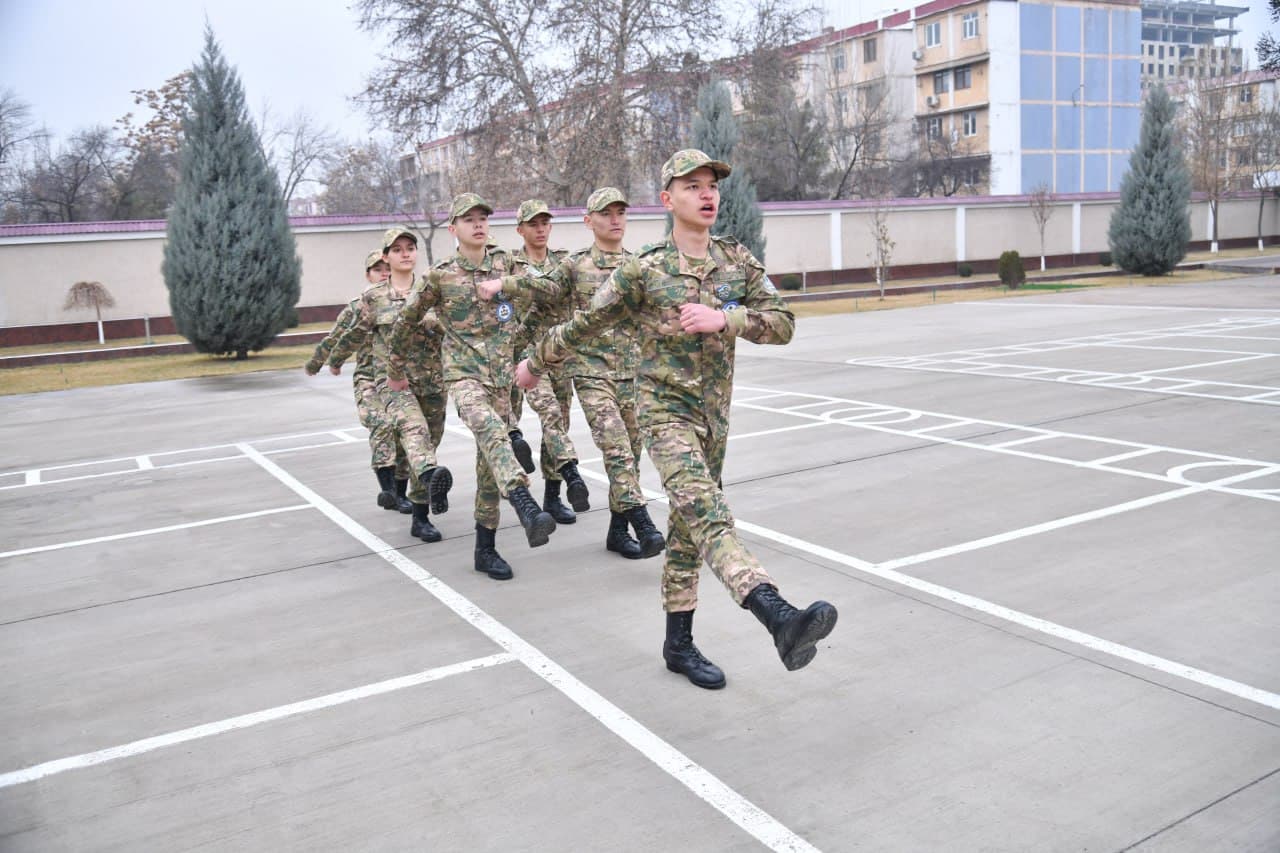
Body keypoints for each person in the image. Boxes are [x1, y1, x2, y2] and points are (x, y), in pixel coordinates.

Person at [514, 150, 837, 690]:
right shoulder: (646, 268)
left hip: (715, 420)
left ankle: (678, 643)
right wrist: (534, 361)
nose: (707, 194)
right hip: (663, 415)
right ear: (668, 199)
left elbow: (783, 323)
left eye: (711, 185)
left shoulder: (736, 261)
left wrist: (726, 318)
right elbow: (586, 322)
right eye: (692, 186)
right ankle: (776, 615)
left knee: (687, 531)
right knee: (708, 514)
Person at [479, 187, 664, 561]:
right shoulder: (576, 265)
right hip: (592, 373)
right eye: (606, 213)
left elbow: (660, 313)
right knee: (615, 449)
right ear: (588, 221)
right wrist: (506, 283)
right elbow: (545, 287)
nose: (615, 219)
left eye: (620, 213)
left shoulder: (639, 265)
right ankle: (642, 521)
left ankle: (618, 531)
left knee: (631, 454)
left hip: (635, 375)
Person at [386, 194, 557, 582]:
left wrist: (506, 285)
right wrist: (395, 369)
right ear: (453, 229)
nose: (478, 225)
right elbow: (406, 322)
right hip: (463, 377)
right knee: (494, 432)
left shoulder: (505, 262)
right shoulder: (440, 276)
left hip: (502, 382)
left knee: (488, 469)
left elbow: (548, 290)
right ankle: (525, 502)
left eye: (483, 218)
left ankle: (485, 549)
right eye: (468, 220)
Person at [329, 228, 453, 543]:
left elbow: (451, 329)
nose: (405, 254)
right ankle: (421, 510)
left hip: (433, 381)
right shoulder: (373, 298)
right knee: (417, 439)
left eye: (410, 248)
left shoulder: (432, 290)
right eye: (397, 250)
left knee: (429, 442)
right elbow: (354, 332)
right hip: (395, 383)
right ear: (386, 256)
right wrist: (333, 359)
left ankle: (418, 499)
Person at [305, 250, 413, 513]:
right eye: (377, 270)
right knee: (382, 424)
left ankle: (400, 493)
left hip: (399, 379)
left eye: (386, 268)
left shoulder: (407, 301)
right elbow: (336, 338)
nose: (384, 273)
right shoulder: (358, 306)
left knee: (404, 435)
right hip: (368, 379)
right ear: (368, 275)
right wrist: (318, 362)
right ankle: (387, 490)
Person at [508, 199, 590, 524]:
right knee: (551, 414)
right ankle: (570, 475)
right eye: (533, 224)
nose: (540, 229)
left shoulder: (564, 262)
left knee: (557, 426)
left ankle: (553, 498)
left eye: (544, 223)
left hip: (561, 356)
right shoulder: (511, 267)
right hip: (528, 358)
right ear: (520, 230)